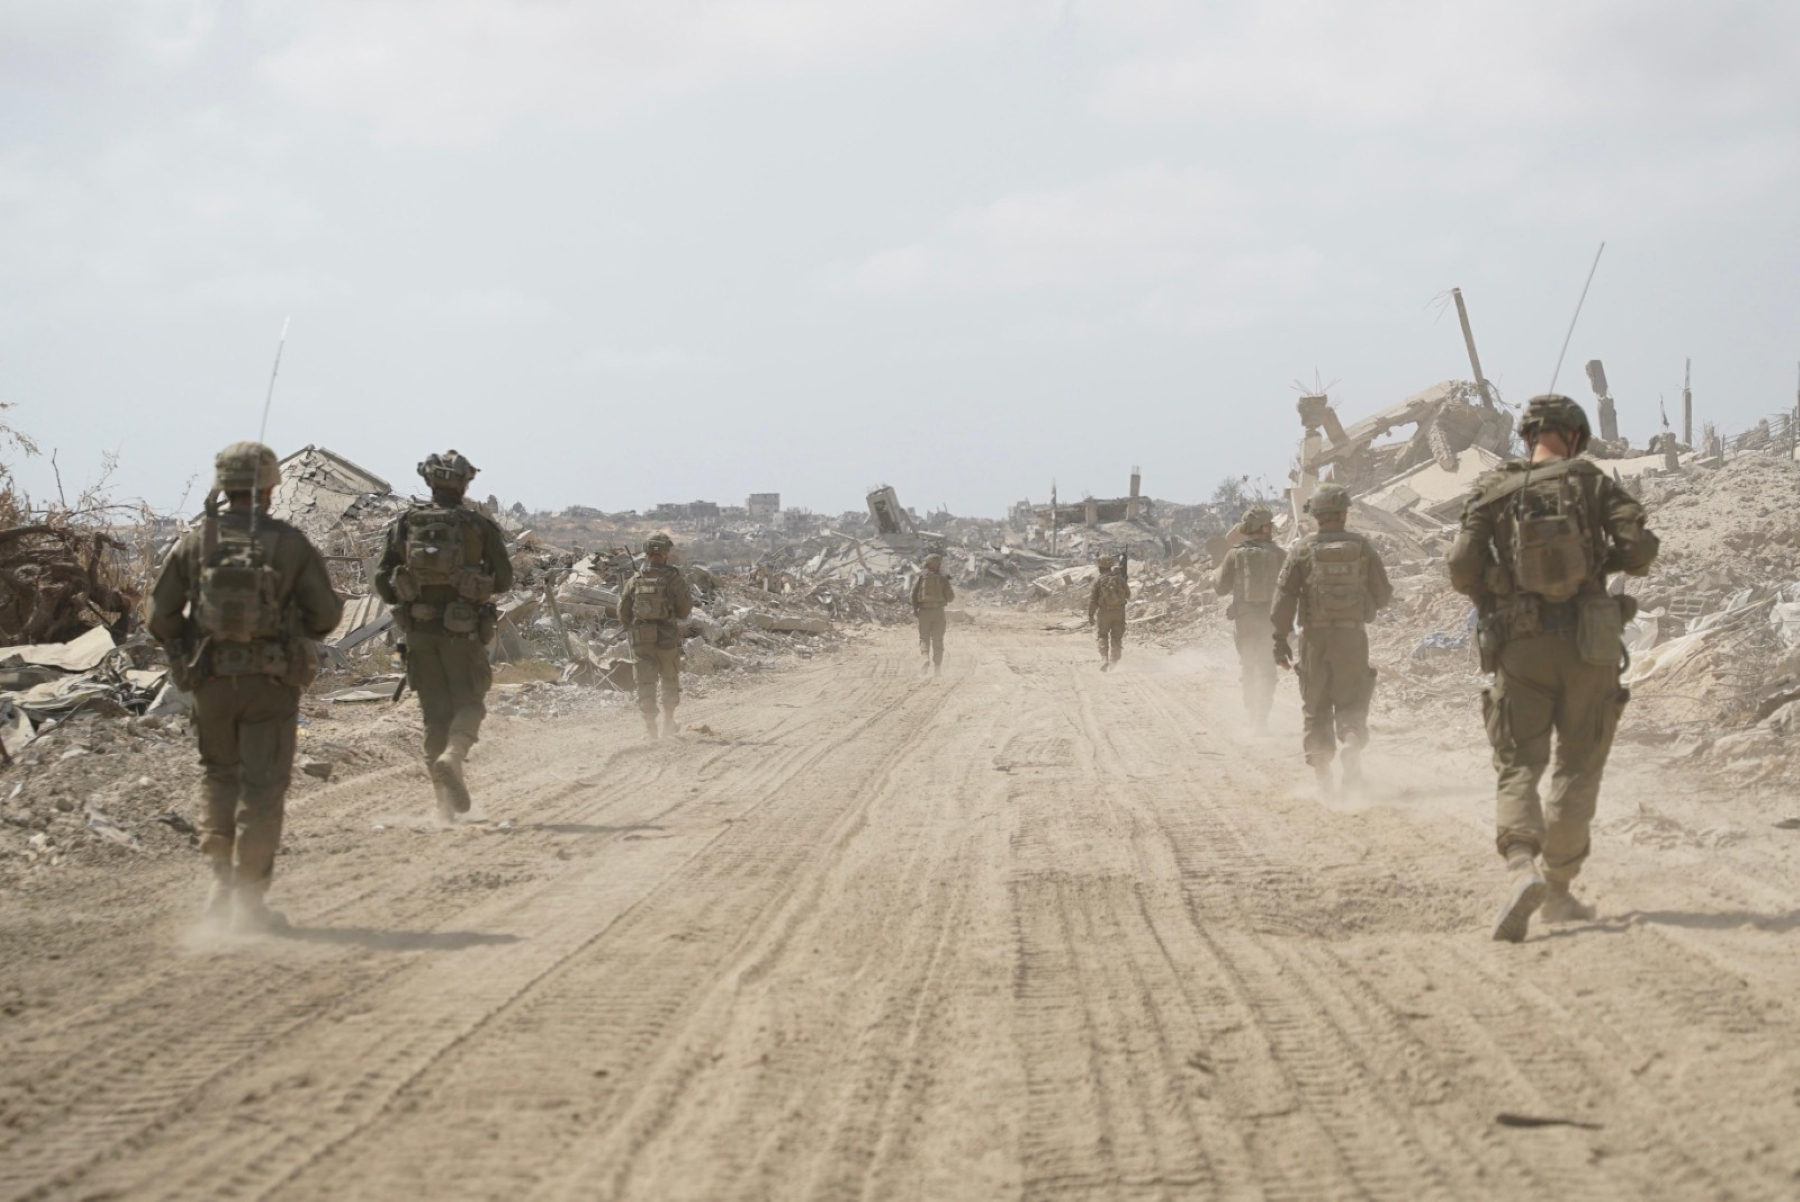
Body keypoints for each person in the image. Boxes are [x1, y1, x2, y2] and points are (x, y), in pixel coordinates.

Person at [1448, 394, 1659, 942]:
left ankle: (1522, 864)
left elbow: (1461, 567)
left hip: (1520, 645)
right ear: (1575, 435)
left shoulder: (1494, 490)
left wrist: (1498, 584)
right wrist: (1601, 561)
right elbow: (1639, 551)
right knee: (1579, 766)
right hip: (1590, 644)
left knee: (1519, 762)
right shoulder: (1591, 481)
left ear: (1527, 436)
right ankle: (1559, 889)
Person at [149, 442, 343, 931]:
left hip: (210, 681)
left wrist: (192, 647)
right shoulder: (290, 544)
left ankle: (220, 885)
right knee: (262, 790)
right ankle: (249, 904)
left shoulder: (195, 542)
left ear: (223, 485)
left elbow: (159, 618)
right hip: (271, 685)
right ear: (271, 487)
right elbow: (325, 616)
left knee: (219, 775)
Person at [374, 450, 513, 823]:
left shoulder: (406, 523)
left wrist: (410, 595)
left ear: (429, 481)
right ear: (465, 484)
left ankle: (443, 810)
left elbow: (381, 580)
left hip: (419, 634)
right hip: (463, 635)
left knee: (434, 715)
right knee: (470, 703)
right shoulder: (477, 526)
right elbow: (504, 580)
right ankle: (453, 756)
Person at [1270, 484, 1392, 796]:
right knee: (1352, 702)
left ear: (1315, 515)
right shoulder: (1362, 547)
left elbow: (1283, 598)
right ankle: (1350, 743)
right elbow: (1383, 594)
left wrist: (1280, 640)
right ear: (1344, 513)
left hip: (1313, 638)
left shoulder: (1302, 549)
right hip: (1352, 637)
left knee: (1316, 707)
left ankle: (1324, 778)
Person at [1215, 505, 1286, 730]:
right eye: (1269, 525)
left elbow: (1220, 588)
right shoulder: (1280, 554)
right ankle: (1261, 718)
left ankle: (1250, 712)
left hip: (1244, 621)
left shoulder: (1234, 553)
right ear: (1264, 528)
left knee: (1248, 666)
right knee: (1267, 667)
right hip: (1270, 621)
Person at [619, 532, 695, 737]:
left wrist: (633, 628)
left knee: (645, 681)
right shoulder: (674, 578)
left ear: (646, 552)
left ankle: (650, 726)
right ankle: (669, 722)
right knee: (669, 677)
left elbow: (623, 613)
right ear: (666, 552)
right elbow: (685, 610)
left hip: (641, 638)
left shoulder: (635, 579)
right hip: (667, 636)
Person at [911, 552, 954, 674]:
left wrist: (915, 608)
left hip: (924, 612)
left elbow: (913, 594)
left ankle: (925, 658)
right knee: (938, 639)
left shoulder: (921, 577)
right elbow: (951, 597)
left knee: (924, 637)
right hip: (938, 612)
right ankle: (937, 668)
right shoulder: (942, 578)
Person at [1088, 555, 1130, 671]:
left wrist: (1091, 615)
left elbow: (1093, 600)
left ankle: (1104, 659)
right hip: (1119, 612)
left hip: (1104, 613)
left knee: (1102, 635)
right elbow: (1128, 594)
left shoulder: (1098, 580)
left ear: (1100, 566)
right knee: (1116, 637)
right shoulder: (1119, 579)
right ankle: (1114, 661)